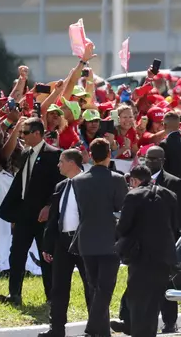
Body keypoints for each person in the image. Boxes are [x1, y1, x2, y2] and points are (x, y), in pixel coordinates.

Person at [112, 146, 181, 335]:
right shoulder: (170, 195)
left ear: (134, 180)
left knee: (138, 301)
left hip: (141, 257)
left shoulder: (133, 196)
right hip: (164, 257)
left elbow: (123, 228)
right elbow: (175, 224)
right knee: (154, 302)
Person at [0, 117, 62, 305]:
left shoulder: (54, 154)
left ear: (37, 133)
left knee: (46, 255)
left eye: (25, 132)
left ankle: (52, 297)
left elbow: (59, 185)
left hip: (43, 216)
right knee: (16, 254)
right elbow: (20, 185)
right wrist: (13, 212)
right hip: (24, 214)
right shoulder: (25, 153)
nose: (22, 136)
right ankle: (14, 294)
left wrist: (49, 206)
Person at [72, 137, 128, 337]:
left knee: (95, 287)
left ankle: (102, 332)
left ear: (90, 155)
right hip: (109, 239)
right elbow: (122, 208)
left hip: (86, 239)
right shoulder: (117, 179)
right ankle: (92, 328)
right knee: (104, 289)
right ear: (108, 154)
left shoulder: (78, 181)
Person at [39, 149, 91, 337]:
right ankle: (57, 329)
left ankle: (95, 328)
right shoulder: (61, 186)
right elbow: (54, 218)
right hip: (63, 242)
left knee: (90, 286)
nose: (58, 165)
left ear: (72, 163)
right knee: (59, 287)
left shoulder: (88, 183)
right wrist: (48, 245)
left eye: (61, 161)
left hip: (84, 241)